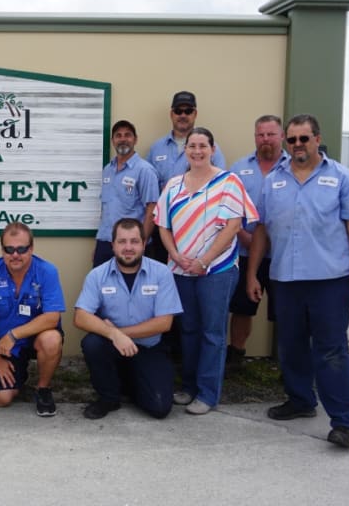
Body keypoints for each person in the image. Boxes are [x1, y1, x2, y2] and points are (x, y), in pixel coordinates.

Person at [247, 113, 349, 448]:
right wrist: (252, 273)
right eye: (292, 140)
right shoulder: (274, 180)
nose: (298, 145)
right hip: (285, 280)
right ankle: (301, 399)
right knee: (290, 346)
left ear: (317, 139)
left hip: (328, 281)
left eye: (304, 138)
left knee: (331, 351)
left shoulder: (342, 178)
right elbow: (261, 230)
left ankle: (344, 422)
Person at [155, 127, 254, 415]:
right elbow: (162, 224)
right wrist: (175, 255)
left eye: (202, 146)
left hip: (218, 270)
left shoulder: (228, 182)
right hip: (181, 269)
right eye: (192, 146)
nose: (197, 151)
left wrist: (204, 260)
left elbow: (233, 226)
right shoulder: (173, 184)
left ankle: (208, 394)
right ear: (185, 150)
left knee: (212, 332)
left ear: (212, 149)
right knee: (188, 330)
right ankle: (189, 387)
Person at [75, 218, 182, 420]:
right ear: (113, 245)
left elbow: (164, 322)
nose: (128, 247)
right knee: (92, 343)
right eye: (122, 241)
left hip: (149, 347)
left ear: (144, 244)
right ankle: (109, 398)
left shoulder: (161, 273)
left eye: (134, 241)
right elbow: (80, 317)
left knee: (159, 407)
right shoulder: (97, 275)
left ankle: (130, 382)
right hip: (112, 348)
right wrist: (113, 336)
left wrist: (119, 333)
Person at [0, 222, 66, 416]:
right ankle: (19, 376)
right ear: (2, 250)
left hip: (35, 337)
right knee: (2, 398)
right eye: (9, 249)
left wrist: (14, 335)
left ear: (31, 248)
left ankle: (43, 389)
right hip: (6, 348)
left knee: (51, 339)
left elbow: (52, 317)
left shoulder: (47, 271)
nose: (15, 254)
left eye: (21, 249)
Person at [226, 115, 289, 368]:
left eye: (271, 134)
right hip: (244, 250)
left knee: (285, 311)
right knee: (242, 308)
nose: (265, 139)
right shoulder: (239, 169)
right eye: (261, 135)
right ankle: (236, 356)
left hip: (281, 255)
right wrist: (243, 235)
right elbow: (228, 207)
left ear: (281, 136)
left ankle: (287, 364)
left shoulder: (293, 167)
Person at [93, 120, 159, 267]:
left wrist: (141, 244)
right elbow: (105, 210)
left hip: (130, 246)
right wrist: (98, 246)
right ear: (113, 141)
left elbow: (152, 211)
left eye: (127, 135)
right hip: (105, 243)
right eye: (118, 135)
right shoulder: (107, 170)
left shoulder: (145, 170)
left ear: (135, 139)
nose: (123, 139)